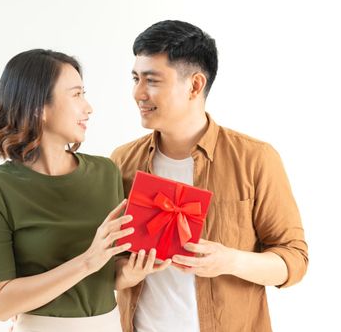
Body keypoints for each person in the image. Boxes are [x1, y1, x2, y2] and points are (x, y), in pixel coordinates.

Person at [112, 20, 309, 332]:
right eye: (135, 78)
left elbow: (294, 261)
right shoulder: (122, 162)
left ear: (194, 85)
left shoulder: (255, 158)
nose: (138, 93)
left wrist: (230, 260)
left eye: (151, 81)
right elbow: (107, 262)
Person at [0, 49, 134, 332]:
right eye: (76, 94)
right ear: (38, 108)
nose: (88, 107)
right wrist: (86, 262)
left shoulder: (106, 173)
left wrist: (129, 274)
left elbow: (108, 274)